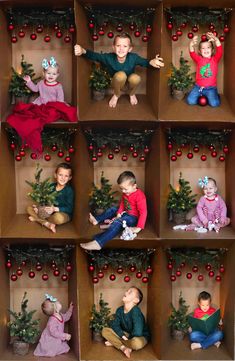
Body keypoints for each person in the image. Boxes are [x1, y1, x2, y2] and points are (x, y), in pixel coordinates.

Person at [74, 32, 164, 108]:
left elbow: (145, 62)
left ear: (130, 49)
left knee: (136, 78)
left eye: (125, 46)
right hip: (115, 83)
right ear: (114, 47)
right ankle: (116, 94)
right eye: (118, 46)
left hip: (128, 83)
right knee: (121, 75)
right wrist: (83, 51)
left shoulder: (133, 57)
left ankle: (132, 93)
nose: (121, 49)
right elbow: (96, 56)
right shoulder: (109, 57)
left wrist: (152, 62)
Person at [80, 171, 147, 250]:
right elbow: (122, 204)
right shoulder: (126, 193)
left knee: (117, 223)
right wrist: (118, 213)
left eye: (125, 189)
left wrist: (138, 227)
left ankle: (98, 243)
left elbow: (143, 212)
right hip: (125, 213)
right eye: (121, 189)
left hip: (133, 218)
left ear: (134, 186)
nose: (123, 191)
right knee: (112, 209)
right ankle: (96, 220)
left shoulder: (140, 196)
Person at [102, 287, 150, 358]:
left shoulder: (136, 311)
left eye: (130, 292)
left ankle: (116, 343)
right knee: (104, 331)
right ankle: (123, 348)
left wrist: (124, 339)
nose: (125, 293)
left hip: (140, 336)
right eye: (127, 291)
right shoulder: (119, 310)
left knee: (136, 343)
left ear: (136, 300)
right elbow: (115, 325)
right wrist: (123, 336)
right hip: (127, 335)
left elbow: (138, 332)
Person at [27, 163, 74, 233]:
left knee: (58, 219)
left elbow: (70, 208)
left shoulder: (69, 190)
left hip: (62, 213)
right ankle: (47, 224)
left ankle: (38, 219)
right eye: (60, 175)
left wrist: (55, 209)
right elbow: (45, 200)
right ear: (55, 175)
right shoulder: (51, 186)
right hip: (49, 212)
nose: (63, 178)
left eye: (66, 176)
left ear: (70, 178)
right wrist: (38, 207)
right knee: (29, 208)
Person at [186, 32, 223, 107]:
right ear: (200, 51)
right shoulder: (198, 59)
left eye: (208, 47)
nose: (206, 50)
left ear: (212, 50)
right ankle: (201, 95)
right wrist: (191, 44)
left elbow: (220, 51)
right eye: (203, 48)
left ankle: (215, 95)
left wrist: (216, 40)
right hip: (198, 87)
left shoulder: (215, 59)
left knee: (215, 104)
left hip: (211, 88)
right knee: (190, 101)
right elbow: (192, 53)